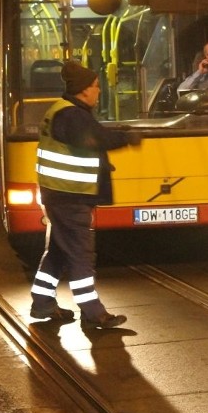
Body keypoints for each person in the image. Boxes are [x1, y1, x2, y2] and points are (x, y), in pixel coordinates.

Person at [30, 60, 142, 329]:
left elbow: (86, 144)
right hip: (71, 197)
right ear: (83, 90)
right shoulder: (72, 115)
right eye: (95, 86)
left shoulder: (65, 111)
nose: (98, 91)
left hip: (60, 195)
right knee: (81, 254)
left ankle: (42, 301)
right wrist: (127, 137)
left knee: (58, 251)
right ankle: (92, 312)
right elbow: (95, 139)